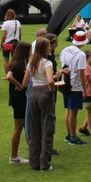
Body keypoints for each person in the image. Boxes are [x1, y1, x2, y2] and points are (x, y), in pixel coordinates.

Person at [23, 37, 56, 172]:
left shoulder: (31, 63)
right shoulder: (47, 63)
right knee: (47, 127)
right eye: (48, 46)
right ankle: (45, 164)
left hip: (33, 92)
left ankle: (34, 162)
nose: (50, 49)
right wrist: (52, 91)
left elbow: (25, 82)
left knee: (34, 128)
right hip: (44, 92)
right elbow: (50, 80)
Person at [58, 29, 89, 146]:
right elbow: (81, 73)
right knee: (73, 112)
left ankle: (68, 133)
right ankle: (73, 136)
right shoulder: (81, 55)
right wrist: (84, 90)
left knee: (68, 110)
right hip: (74, 85)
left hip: (64, 82)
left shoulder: (65, 49)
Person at [6, 41, 32, 165]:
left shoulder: (22, 63)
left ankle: (31, 152)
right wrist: (19, 84)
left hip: (21, 98)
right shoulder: (17, 64)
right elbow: (9, 76)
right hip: (18, 99)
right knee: (19, 127)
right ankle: (14, 156)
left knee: (25, 126)